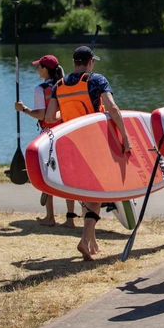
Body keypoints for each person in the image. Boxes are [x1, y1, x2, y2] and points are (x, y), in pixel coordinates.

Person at [45, 46, 131, 261]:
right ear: (91, 62)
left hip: (73, 145)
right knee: (96, 194)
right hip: (95, 142)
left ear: (75, 62)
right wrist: (126, 138)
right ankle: (85, 240)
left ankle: (91, 242)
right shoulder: (97, 80)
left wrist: (66, 110)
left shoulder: (59, 85)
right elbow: (112, 108)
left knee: (89, 194)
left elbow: (50, 116)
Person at [14, 54, 77, 228]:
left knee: (47, 174)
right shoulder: (65, 85)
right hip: (66, 132)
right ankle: (70, 219)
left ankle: (50, 217)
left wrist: (24, 109)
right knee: (66, 175)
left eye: (39, 67)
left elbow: (42, 115)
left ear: (45, 70)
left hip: (48, 135)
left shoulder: (40, 88)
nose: (37, 70)